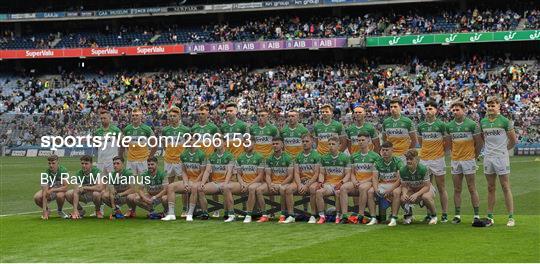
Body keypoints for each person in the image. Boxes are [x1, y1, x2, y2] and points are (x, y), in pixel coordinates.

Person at [480, 96, 517, 227]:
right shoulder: (483, 122)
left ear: (498, 107)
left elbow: (513, 140)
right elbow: (483, 139)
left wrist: (504, 150)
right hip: (488, 157)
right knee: (490, 187)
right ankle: (490, 216)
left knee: (505, 187)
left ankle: (511, 217)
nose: (490, 108)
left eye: (493, 106)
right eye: (489, 106)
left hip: (501, 157)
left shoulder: (505, 121)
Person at [446, 100, 483, 224]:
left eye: (457, 110)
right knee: (457, 189)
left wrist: (474, 156)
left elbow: (479, 143)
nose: (455, 112)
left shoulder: (472, 124)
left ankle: (476, 215)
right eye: (454, 110)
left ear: (464, 110)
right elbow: (450, 143)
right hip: (456, 160)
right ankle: (457, 215)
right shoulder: (449, 126)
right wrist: (454, 154)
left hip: (468, 160)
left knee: (472, 188)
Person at [417, 99, 449, 222]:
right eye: (427, 109)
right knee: (426, 187)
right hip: (425, 159)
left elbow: (447, 142)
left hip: (438, 159)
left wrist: (441, 153)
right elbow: (421, 142)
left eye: (431, 109)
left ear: (436, 110)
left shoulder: (441, 125)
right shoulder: (421, 126)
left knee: (441, 187)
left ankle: (445, 213)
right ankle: (430, 213)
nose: (428, 111)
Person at [340, 132, 380, 224]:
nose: (360, 142)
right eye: (359, 140)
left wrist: (363, 182)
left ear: (368, 140)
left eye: (363, 140)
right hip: (357, 181)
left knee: (362, 188)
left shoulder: (375, 156)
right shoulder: (354, 156)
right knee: (343, 188)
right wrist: (354, 181)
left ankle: (360, 215)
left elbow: (375, 175)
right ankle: (345, 216)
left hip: (369, 181)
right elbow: (352, 173)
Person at [255, 137, 296, 223]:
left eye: (277, 144)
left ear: (282, 145)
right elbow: (268, 175)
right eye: (273, 144)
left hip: (284, 183)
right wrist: (270, 185)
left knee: (282, 189)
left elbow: (290, 176)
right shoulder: (269, 158)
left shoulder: (288, 158)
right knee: (259, 190)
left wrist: (281, 184)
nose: (275, 145)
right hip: (272, 183)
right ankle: (264, 215)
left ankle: (283, 215)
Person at [315, 136, 351, 224]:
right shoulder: (324, 158)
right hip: (328, 184)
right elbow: (322, 173)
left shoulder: (345, 157)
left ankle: (338, 216)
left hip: (339, 183)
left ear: (338, 145)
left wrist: (341, 182)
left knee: (339, 192)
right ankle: (322, 216)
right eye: (329, 144)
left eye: (333, 144)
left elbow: (348, 174)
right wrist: (320, 182)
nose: (331, 146)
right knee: (319, 192)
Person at [399, 149, 438, 225]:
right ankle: (408, 216)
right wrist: (404, 193)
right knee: (403, 198)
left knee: (426, 197)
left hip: (426, 189)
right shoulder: (402, 170)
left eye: (411, 159)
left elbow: (427, 186)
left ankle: (434, 216)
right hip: (413, 189)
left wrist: (416, 194)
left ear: (416, 159)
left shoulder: (423, 169)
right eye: (407, 159)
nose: (408, 161)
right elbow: (404, 186)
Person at [368, 142, 403, 227]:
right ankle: (373, 217)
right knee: (370, 192)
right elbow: (375, 178)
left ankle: (394, 218)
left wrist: (390, 190)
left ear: (392, 150)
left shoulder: (398, 161)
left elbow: (400, 179)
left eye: (387, 150)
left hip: (394, 185)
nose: (384, 152)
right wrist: (376, 189)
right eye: (383, 150)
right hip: (382, 184)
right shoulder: (378, 162)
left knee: (396, 193)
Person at [382, 98, 417, 163]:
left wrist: (408, 152)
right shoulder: (386, 122)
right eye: (391, 107)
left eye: (395, 107)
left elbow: (414, 140)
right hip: (391, 154)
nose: (392, 109)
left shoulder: (408, 121)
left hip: (404, 155)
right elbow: (384, 140)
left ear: (400, 107)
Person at [34, 155, 69, 219]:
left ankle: (60, 210)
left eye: (53, 163)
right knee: (37, 197)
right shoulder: (45, 174)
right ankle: (47, 210)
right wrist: (44, 211)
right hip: (49, 191)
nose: (51, 165)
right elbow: (45, 192)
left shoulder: (63, 170)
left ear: (57, 163)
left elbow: (66, 187)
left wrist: (53, 190)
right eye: (49, 163)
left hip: (59, 191)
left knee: (60, 196)